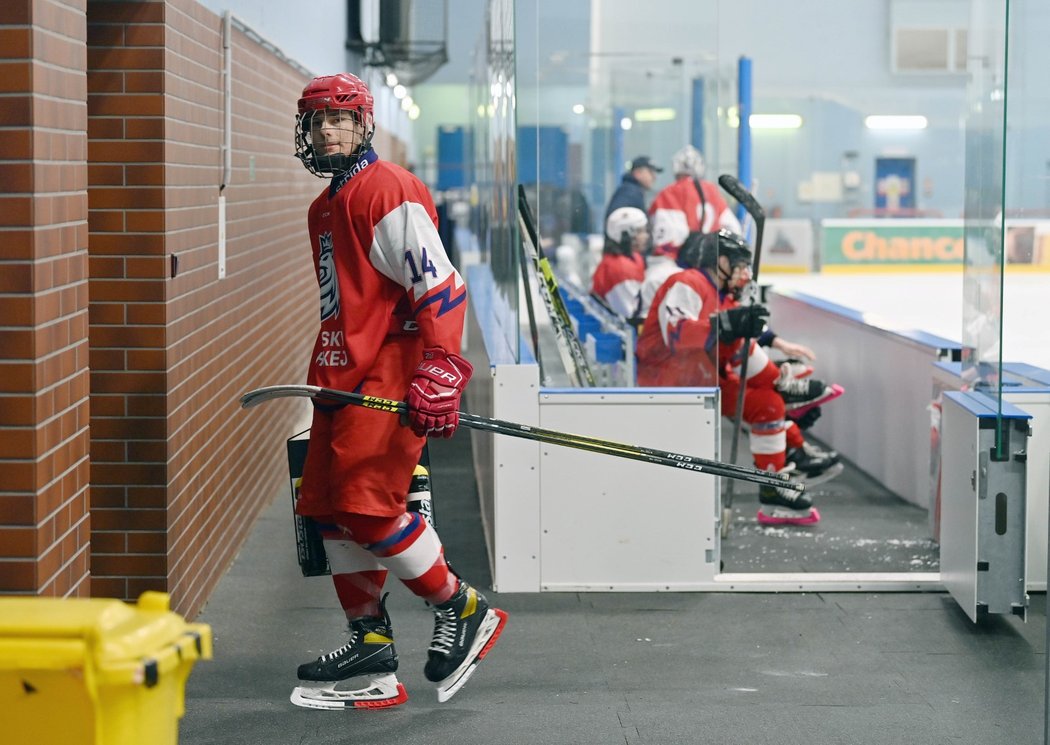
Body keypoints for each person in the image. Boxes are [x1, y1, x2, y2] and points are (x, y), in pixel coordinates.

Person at [289, 72, 507, 709]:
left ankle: (460, 606)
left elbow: (439, 287)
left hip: (390, 372)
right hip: (341, 375)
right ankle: (372, 642)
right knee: (329, 509)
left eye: (339, 119)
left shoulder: (387, 190)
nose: (327, 130)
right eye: (317, 120)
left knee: (368, 507)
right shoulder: (324, 205)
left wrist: (441, 367)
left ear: (363, 124)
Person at [635, 230, 840, 526]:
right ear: (720, 261)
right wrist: (728, 324)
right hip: (668, 381)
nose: (744, 272)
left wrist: (764, 336)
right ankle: (782, 390)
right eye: (740, 265)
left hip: (703, 379)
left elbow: (738, 340)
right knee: (748, 359)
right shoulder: (687, 282)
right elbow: (677, 336)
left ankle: (771, 486)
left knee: (768, 405)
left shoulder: (722, 297)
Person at [637, 145, 743, 321]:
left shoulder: (671, 192)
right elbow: (734, 230)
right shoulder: (713, 191)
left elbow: (670, 238)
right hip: (711, 272)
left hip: (677, 268)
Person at [590, 207, 648, 320]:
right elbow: (632, 315)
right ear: (626, 235)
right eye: (641, 231)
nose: (646, 236)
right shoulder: (620, 268)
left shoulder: (634, 257)